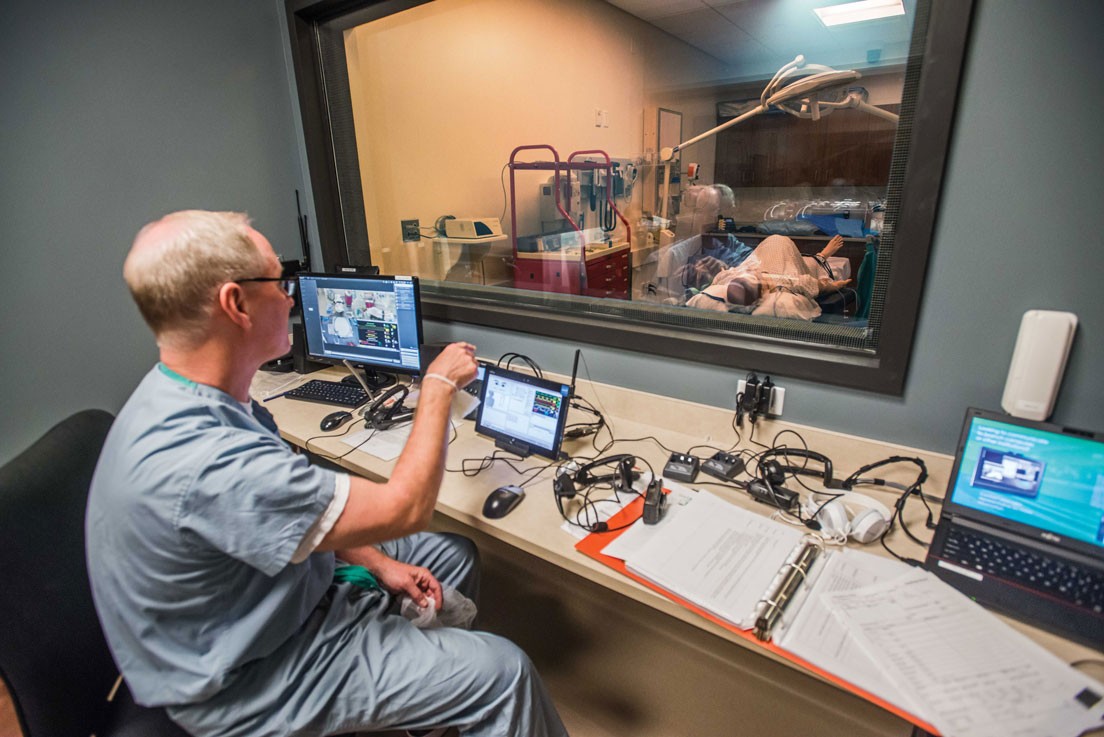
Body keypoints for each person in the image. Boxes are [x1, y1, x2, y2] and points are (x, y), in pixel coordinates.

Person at [85, 210, 568, 737]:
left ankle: (419, 704)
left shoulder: (195, 396)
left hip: (271, 599)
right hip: (251, 677)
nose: (292, 298)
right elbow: (405, 508)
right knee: (503, 673)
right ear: (236, 303)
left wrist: (380, 564)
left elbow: (300, 519)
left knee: (449, 555)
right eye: (279, 281)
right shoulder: (206, 456)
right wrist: (437, 387)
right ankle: (448, 690)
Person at [686, 234, 851, 319]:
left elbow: (717, 280)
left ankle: (821, 256)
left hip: (765, 249)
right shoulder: (787, 283)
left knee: (797, 262)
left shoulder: (729, 277)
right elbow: (813, 285)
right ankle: (822, 256)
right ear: (762, 291)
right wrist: (833, 286)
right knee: (805, 265)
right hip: (784, 247)